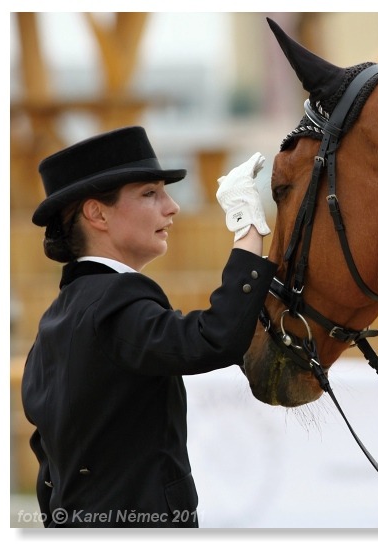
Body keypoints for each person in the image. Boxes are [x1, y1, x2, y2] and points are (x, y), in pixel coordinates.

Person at [21, 126, 276, 527]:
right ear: (97, 213)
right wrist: (247, 228)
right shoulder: (115, 299)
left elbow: (49, 468)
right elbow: (213, 339)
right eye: (150, 193)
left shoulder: (56, 318)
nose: (171, 207)